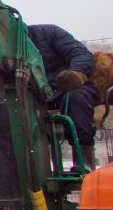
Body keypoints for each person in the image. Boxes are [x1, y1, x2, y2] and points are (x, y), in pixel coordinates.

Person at [28, 23, 102, 151]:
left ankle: (84, 159)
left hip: (66, 89)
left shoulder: (48, 33)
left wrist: (76, 73)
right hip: (33, 97)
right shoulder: (3, 48)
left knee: (75, 99)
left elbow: (80, 54)